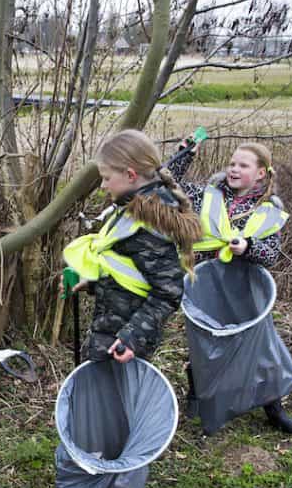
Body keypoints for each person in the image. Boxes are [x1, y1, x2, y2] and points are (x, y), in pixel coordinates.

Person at [170, 139, 292, 434]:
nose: (233, 169)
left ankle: (274, 408)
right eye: (232, 163)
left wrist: (247, 247)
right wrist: (184, 155)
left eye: (243, 165)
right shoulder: (206, 195)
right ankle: (198, 394)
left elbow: (270, 254)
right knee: (205, 340)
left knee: (261, 347)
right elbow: (166, 184)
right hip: (206, 284)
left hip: (246, 290)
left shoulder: (268, 209)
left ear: (260, 173)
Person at [62, 129, 200, 364]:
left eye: (106, 178)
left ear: (130, 175)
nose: (103, 185)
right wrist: (95, 283)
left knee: (114, 397)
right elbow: (132, 268)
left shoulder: (148, 224)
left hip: (121, 340)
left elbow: (168, 293)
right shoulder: (132, 207)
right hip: (110, 325)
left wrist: (132, 337)